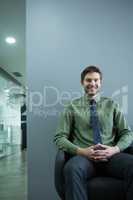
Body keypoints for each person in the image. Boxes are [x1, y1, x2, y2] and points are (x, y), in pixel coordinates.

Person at [54, 65, 133, 200]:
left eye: (96, 80)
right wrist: (82, 151)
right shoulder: (72, 107)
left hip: (111, 157)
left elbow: (127, 133)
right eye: (88, 80)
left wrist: (114, 149)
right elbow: (59, 137)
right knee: (72, 169)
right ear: (82, 82)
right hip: (84, 158)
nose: (92, 84)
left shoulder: (112, 105)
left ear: (100, 82)